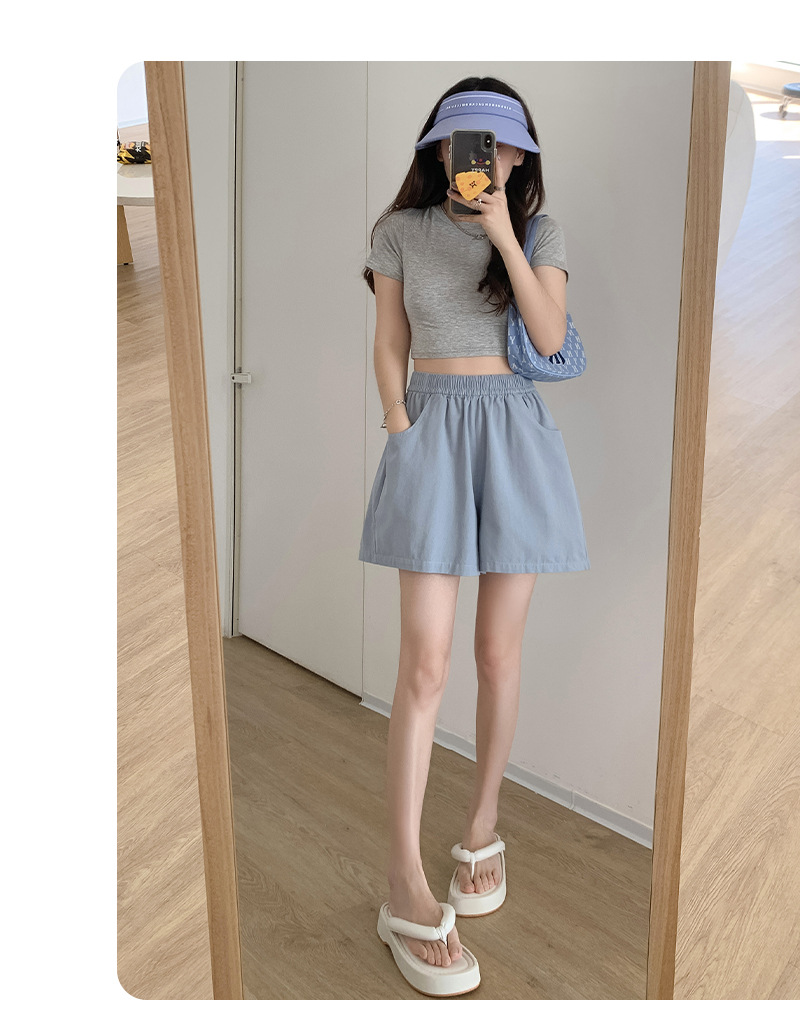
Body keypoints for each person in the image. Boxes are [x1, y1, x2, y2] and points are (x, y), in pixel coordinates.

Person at [361, 76, 590, 996]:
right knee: (424, 662)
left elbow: (550, 333)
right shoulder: (399, 231)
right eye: (469, 142)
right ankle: (403, 881)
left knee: (498, 652)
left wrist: (503, 234)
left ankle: (481, 828)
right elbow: (389, 340)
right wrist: (400, 425)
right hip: (430, 430)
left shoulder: (540, 232)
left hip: (513, 437)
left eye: (501, 144)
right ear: (440, 147)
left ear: (522, 154)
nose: (486, 159)